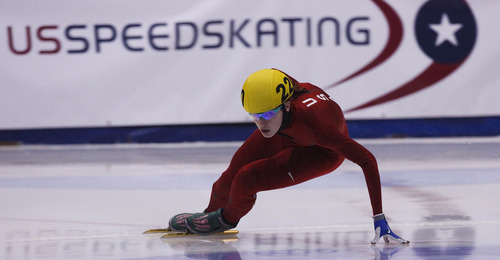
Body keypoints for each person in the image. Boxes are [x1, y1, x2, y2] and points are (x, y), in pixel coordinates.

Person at [168, 68, 409, 244]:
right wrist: (269, 117)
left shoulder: (317, 126)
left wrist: (379, 217)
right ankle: (209, 213)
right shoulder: (275, 95)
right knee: (228, 176)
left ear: (286, 105)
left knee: (246, 178)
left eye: (267, 114)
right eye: (254, 115)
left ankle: (225, 221)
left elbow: (367, 159)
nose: (261, 123)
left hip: (320, 153)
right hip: (285, 132)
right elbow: (272, 86)